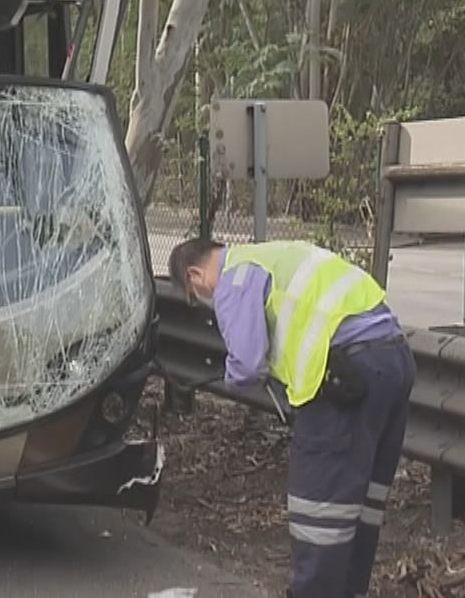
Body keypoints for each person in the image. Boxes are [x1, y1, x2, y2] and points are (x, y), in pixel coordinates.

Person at [168, 238, 415, 598]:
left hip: (344, 377)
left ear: (195, 273)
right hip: (394, 361)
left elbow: (247, 362)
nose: (203, 298)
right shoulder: (275, 254)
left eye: (196, 292)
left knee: (320, 516)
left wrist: (229, 378)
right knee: (361, 508)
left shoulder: (233, 279)